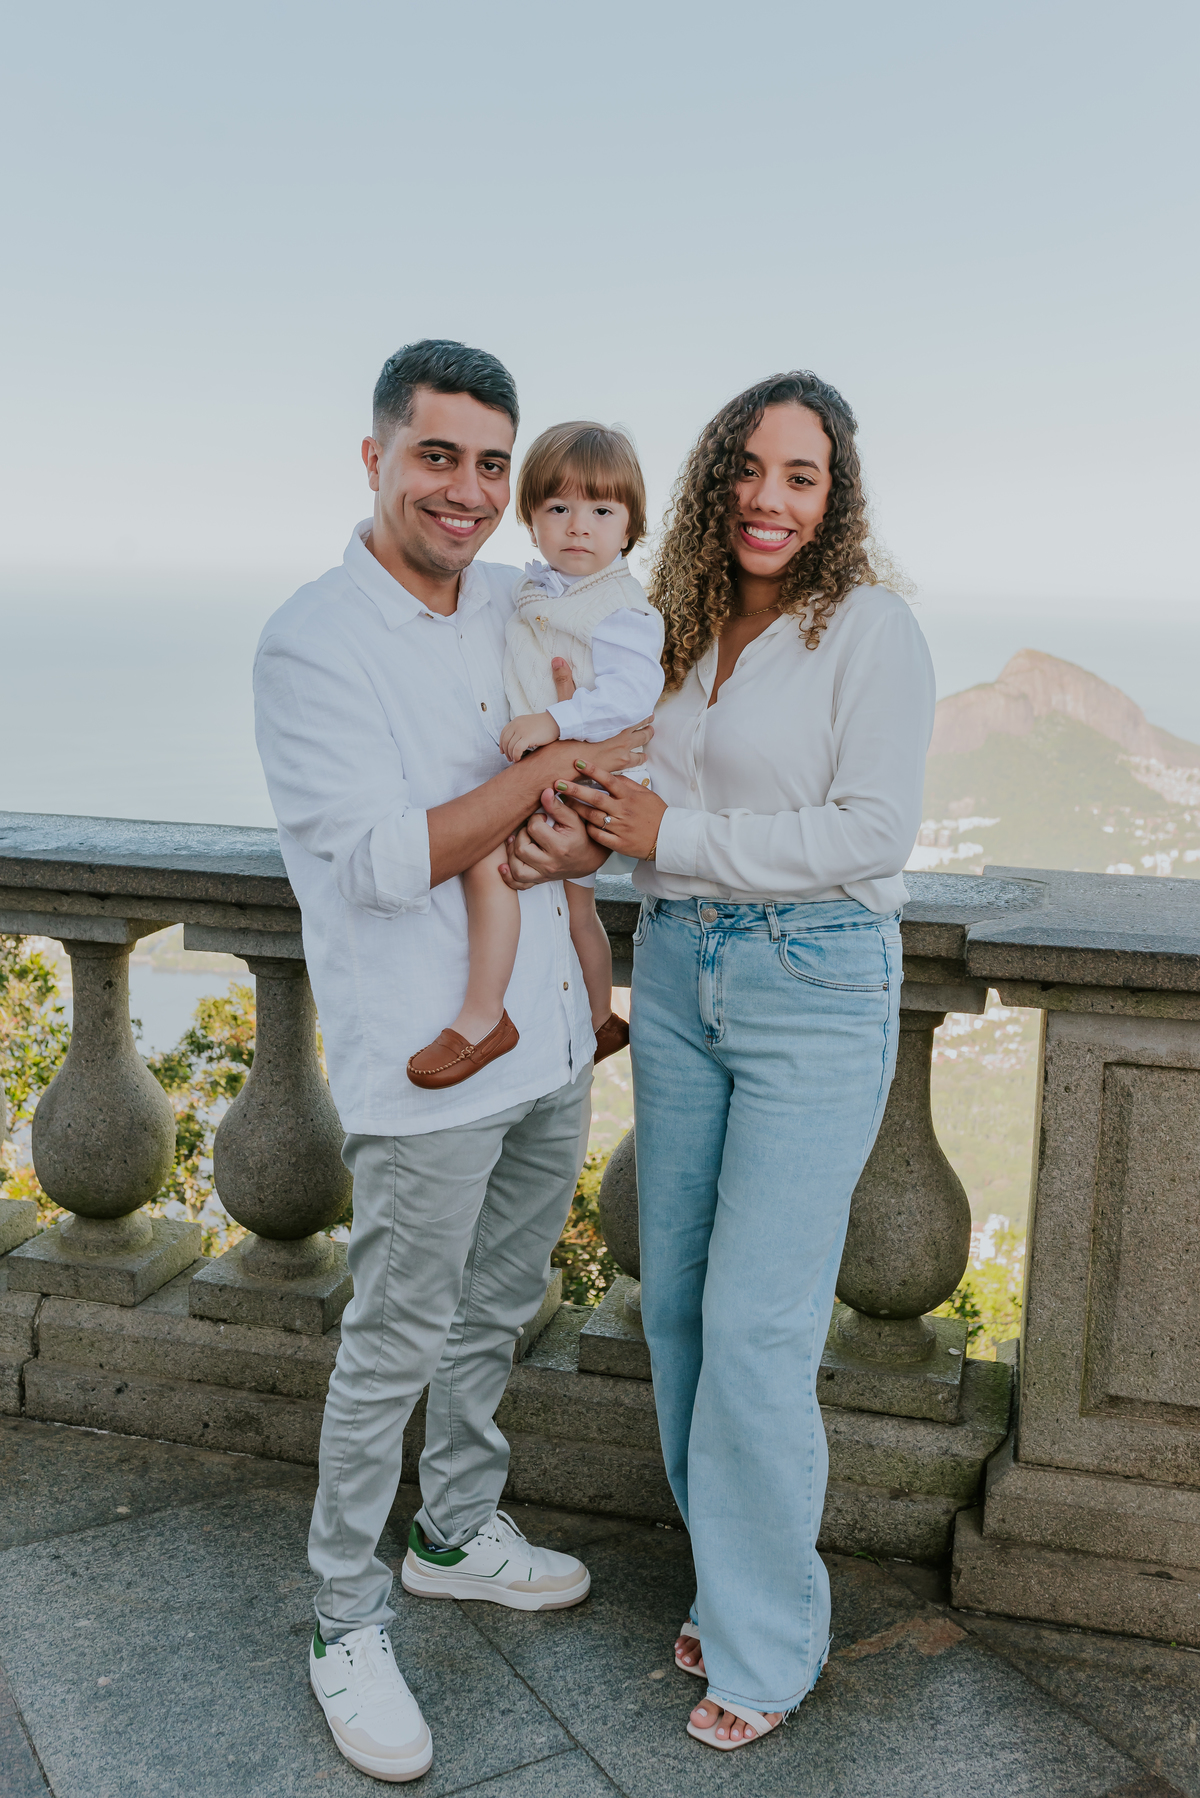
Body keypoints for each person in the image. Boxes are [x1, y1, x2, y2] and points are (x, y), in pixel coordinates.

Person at [253, 339, 651, 1784]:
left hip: (548, 1033)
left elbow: (596, 755)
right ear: (376, 460)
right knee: (392, 1344)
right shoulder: (313, 641)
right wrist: (540, 787)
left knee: (502, 1300)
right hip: (426, 1062)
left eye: (494, 461)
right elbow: (378, 861)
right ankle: (342, 1617)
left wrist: (580, 821)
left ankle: (451, 1529)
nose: (473, 489)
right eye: (441, 456)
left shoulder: (516, 594)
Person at [552, 371, 936, 1752]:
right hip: (678, 974)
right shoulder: (672, 632)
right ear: (717, 476)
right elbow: (629, 803)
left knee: (763, 1332)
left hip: (812, 978)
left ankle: (768, 1646)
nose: (771, 497)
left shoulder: (868, 630)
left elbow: (870, 834)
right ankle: (733, 1578)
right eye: (753, 468)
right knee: (681, 1310)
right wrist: (592, 815)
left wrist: (669, 833)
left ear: (834, 500)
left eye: (804, 476)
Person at [406, 420, 664, 1090]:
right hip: (577, 771)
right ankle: (603, 1017)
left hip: (593, 778)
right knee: (579, 910)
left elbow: (634, 694)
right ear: (531, 518)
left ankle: (482, 1016)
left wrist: (556, 718)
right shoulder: (540, 591)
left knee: (488, 861)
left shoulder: (622, 611)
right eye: (558, 509)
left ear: (630, 526)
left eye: (601, 511)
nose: (579, 527)